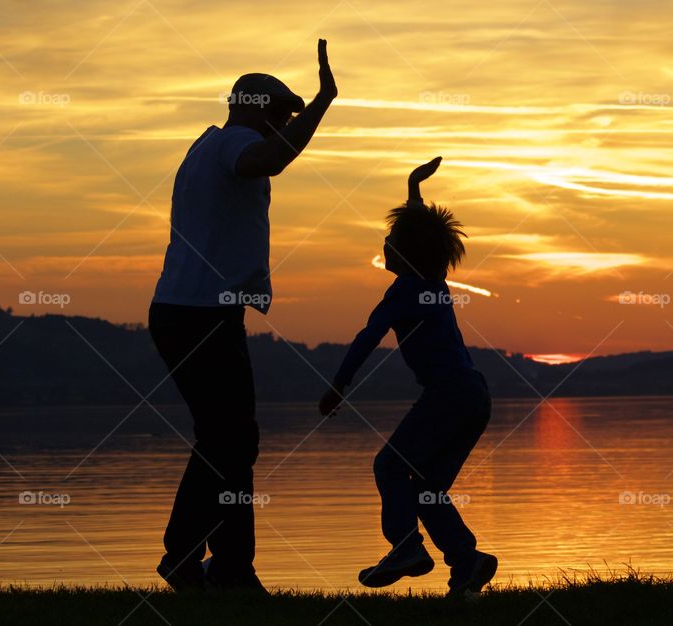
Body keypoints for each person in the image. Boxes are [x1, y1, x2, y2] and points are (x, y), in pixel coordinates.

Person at [148, 39, 338, 591]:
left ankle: (230, 567)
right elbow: (270, 158)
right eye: (280, 116)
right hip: (198, 314)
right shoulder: (234, 143)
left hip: (196, 312)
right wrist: (324, 101)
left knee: (229, 439)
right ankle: (190, 558)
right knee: (229, 440)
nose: (283, 127)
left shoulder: (208, 147)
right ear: (255, 109)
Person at [319, 157, 497, 596]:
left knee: (389, 467)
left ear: (407, 252)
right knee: (429, 488)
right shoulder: (435, 281)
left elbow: (366, 339)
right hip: (474, 395)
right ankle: (467, 561)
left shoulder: (403, 292)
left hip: (448, 394)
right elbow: (424, 236)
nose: (385, 240)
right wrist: (412, 187)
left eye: (392, 238)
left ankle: (406, 547)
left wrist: (337, 386)